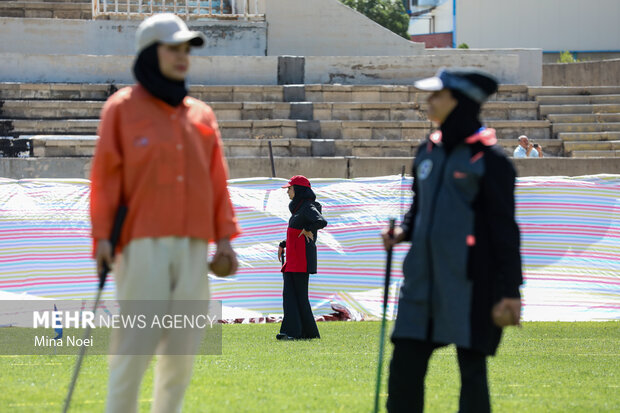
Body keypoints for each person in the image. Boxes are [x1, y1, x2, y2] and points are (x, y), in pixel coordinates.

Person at [90, 13, 241, 413]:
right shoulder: (120, 109)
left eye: (186, 49)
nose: (182, 57)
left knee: (182, 352)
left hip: (194, 250)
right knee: (135, 347)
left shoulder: (202, 116)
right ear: (149, 53)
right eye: (172, 48)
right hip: (141, 248)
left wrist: (224, 240)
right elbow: (105, 179)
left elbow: (217, 184)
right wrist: (102, 238)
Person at [381, 68, 523, 413]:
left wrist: (510, 291)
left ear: (458, 102)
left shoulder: (491, 161)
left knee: (472, 375)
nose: (428, 100)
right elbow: (418, 208)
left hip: (473, 286)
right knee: (403, 371)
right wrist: (401, 232)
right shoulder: (425, 151)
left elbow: (505, 230)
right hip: (420, 284)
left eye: (436, 95)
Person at [276, 175, 327, 340]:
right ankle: (293, 332)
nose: (288, 192)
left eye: (289, 189)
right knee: (289, 296)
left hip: (301, 260)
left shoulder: (307, 206)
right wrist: (283, 244)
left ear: (297, 189)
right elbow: (295, 233)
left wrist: (308, 229)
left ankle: (305, 333)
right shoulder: (299, 208)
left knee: (300, 298)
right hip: (293, 260)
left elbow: (321, 221)